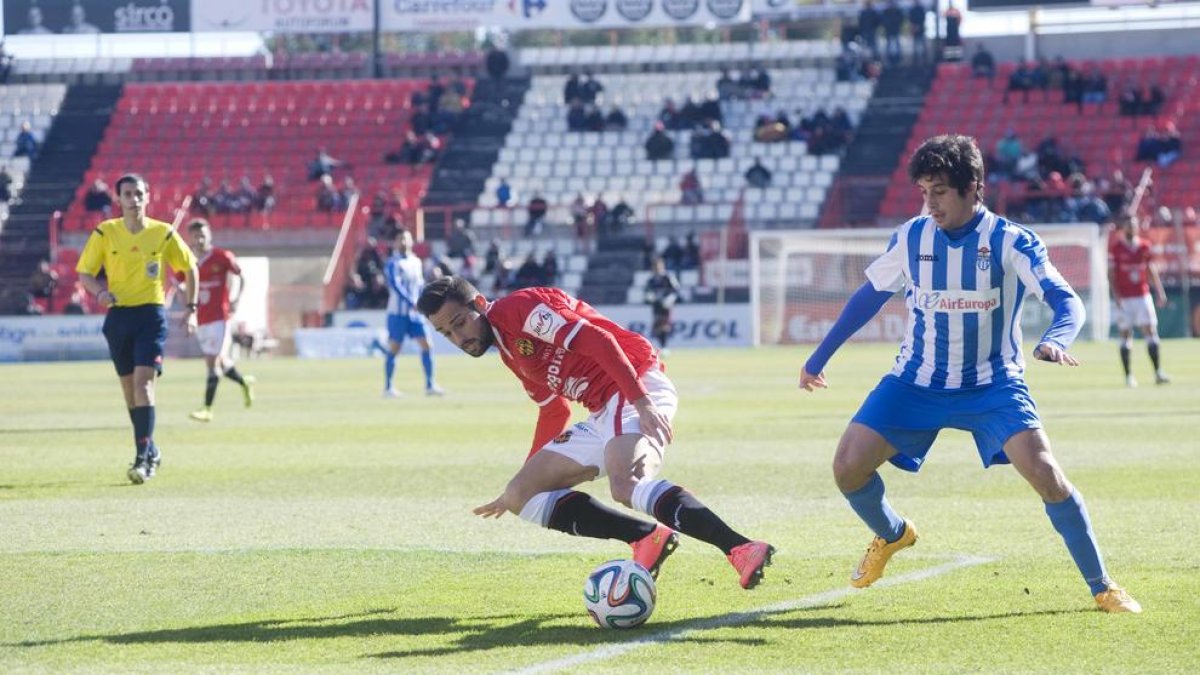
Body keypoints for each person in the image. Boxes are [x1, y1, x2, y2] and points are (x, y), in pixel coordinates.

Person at [798, 135, 1141, 613]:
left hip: (993, 386)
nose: (929, 203)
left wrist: (1056, 339)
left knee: (1047, 476)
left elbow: (1068, 301)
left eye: (939, 191)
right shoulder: (911, 237)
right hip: (916, 381)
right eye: (923, 191)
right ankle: (892, 534)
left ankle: (1103, 586)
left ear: (972, 187)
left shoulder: (1011, 241)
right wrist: (819, 358)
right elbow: (868, 297)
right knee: (847, 468)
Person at [416, 276, 774, 588]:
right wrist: (523, 475)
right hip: (603, 408)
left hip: (633, 383)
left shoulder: (517, 310)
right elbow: (553, 409)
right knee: (520, 495)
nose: (458, 337)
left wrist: (643, 402)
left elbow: (598, 340)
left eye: (460, 323)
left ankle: (740, 547)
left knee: (626, 484)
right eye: (446, 332)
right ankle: (647, 538)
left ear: (479, 303)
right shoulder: (509, 350)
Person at [76, 174, 199, 485]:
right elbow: (85, 274)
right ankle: (152, 448)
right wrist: (100, 293)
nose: (134, 199)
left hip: (151, 316)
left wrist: (192, 309)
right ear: (118, 199)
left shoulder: (163, 233)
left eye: (139, 193)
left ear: (148, 196)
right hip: (118, 318)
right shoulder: (105, 232)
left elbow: (190, 267)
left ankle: (142, 460)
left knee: (144, 386)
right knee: (131, 393)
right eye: (127, 194)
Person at [184, 219, 256, 423]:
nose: (199, 239)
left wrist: (236, 299)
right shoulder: (188, 260)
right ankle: (244, 383)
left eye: (202, 235)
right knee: (222, 363)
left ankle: (207, 409)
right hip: (201, 320)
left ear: (210, 236)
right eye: (195, 235)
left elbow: (241, 277)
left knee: (212, 364)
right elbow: (180, 283)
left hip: (219, 318)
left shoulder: (222, 256)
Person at [1108, 208, 1169, 388]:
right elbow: (1111, 274)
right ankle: (1128, 376)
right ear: (1123, 228)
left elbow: (1151, 270)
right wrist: (1116, 295)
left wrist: (1160, 291)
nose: (1131, 228)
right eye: (1128, 225)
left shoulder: (1144, 246)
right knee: (1126, 335)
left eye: (1133, 225)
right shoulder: (1116, 248)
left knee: (1150, 332)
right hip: (1125, 298)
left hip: (1142, 295)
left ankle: (1158, 372)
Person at [379, 229, 442, 398]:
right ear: (395, 242)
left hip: (415, 313)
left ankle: (430, 385)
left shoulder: (416, 261)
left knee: (427, 345)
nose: (404, 242)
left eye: (406, 239)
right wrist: (410, 302)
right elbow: (395, 285)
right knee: (394, 347)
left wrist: (422, 301)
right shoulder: (393, 263)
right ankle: (388, 387)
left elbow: (420, 285)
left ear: (411, 241)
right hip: (397, 313)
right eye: (400, 239)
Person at [644, 257, 681, 355]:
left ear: (662, 266)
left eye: (658, 266)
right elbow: (647, 292)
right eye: (655, 267)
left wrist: (670, 299)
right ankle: (662, 346)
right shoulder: (651, 280)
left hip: (666, 305)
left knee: (664, 326)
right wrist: (649, 297)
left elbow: (676, 290)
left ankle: (665, 347)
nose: (657, 269)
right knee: (656, 328)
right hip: (656, 306)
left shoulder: (668, 277)